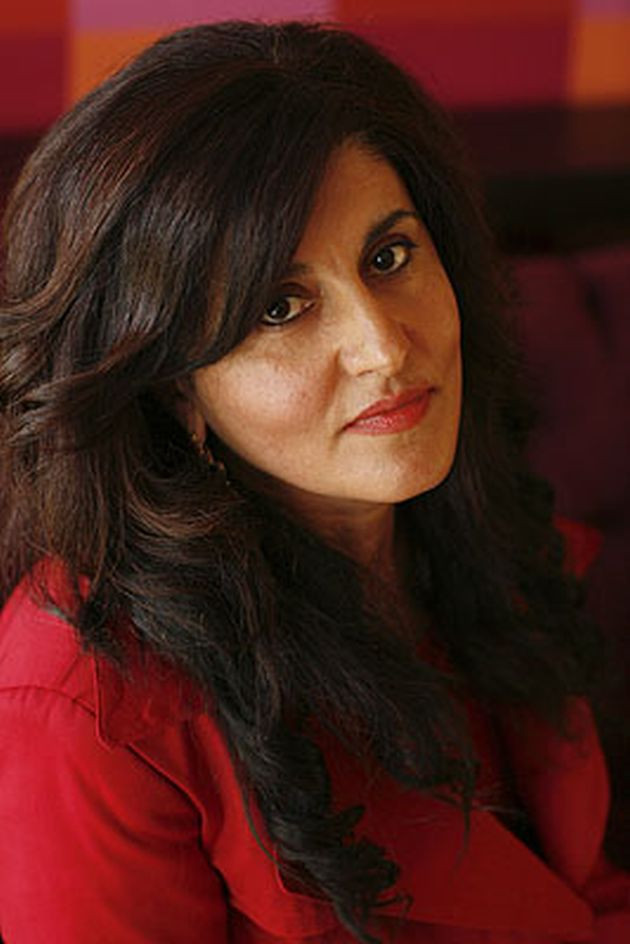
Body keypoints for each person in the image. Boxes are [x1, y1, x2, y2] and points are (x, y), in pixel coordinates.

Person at [0, 20, 627, 944]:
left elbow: (579, 894)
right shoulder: (85, 705)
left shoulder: (477, 535)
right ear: (173, 387)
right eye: (279, 307)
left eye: (390, 257)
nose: (384, 348)